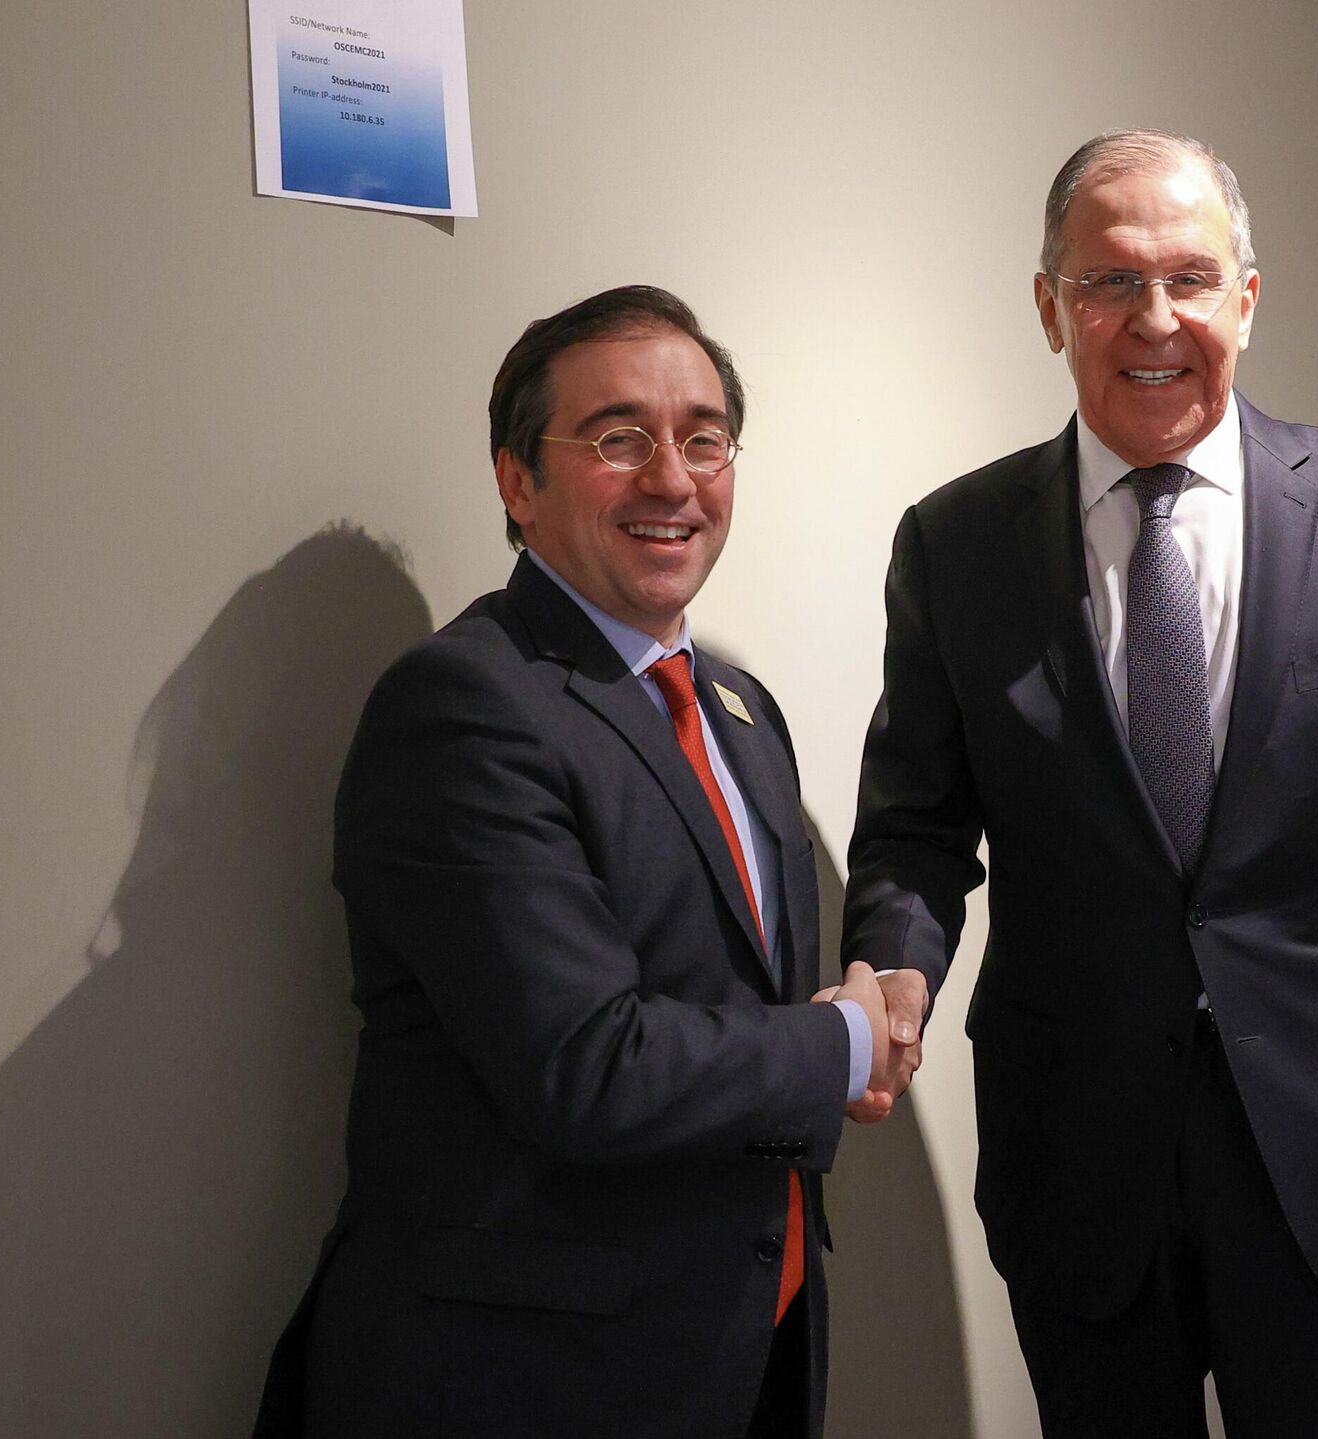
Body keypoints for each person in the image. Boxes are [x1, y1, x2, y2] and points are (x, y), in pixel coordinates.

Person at [843, 131, 1318, 1437]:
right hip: (1080, 1162)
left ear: (1247, 298)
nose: (1153, 318)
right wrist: (893, 961)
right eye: (1109, 281)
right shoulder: (957, 543)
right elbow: (915, 828)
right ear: (1049, 306)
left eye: (1189, 278)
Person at [254, 286, 894, 1439]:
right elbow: (588, 1066)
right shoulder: (464, 706)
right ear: (517, 480)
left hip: (743, 1344)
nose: (672, 478)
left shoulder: (742, 710)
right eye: (619, 438)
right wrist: (844, 1040)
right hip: (531, 1379)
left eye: (704, 438)